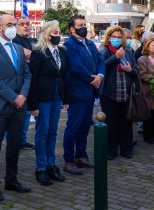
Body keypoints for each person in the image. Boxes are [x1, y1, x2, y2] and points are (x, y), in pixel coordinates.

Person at [0, 14, 33, 200]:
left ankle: (12, 179)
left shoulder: (18, 48)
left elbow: (27, 74)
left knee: (14, 146)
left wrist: (23, 95)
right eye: (9, 24)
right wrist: (14, 97)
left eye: (14, 24)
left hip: (18, 106)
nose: (12, 27)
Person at [28, 20, 69, 186]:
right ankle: (41, 167)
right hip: (42, 97)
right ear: (46, 34)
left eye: (59, 32)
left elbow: (63, 76)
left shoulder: (62, 51)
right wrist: (33, 105)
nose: (58, 35)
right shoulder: (39, 53)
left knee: (53, 131)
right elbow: (32, 79)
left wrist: (65, 99)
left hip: (57, 96)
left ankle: (51, 165)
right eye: (55, 33)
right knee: (42, 132)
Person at [62, 14, 105, 175]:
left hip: (90, 92)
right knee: (73, 127)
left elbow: (100, 60)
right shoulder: (69, 45)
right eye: (80, 25)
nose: (84, 27)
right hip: (77, 93)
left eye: (84, 24)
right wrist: (92, 79)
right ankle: (68, 160)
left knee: (85, 126)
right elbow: (76, 67)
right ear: (72, 29)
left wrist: (100, 76)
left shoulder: (90, 43)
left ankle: (80, 155)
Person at [99, 26, 138, 159]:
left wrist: (130, 70)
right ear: (109, 38)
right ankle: (111, 150)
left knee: (125, 123)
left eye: (119, 37)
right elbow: (101, 67)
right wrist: (115, 57)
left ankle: (126, 149)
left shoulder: (128, 51)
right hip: (109, 94)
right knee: (111, 123)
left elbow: (136, 72)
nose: (116, 39)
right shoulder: (104, 51)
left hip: (125, 94)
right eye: (114, 37)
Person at [13, 16, 35, 150]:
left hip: (31, 80)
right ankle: (15, 140)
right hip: (20, 82)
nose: (26, 26)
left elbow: (36, 56)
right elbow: (29, 55)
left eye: (28, 24)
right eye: (22, 24)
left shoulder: (32, 40)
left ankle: (22, 139)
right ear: (17, 26)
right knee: (19, 112)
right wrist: (32, 56)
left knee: (27, 112)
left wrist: (32, 56)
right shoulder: (15, 40)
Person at [137, 38, 154, 144]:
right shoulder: (142, 59)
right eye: (153, 45)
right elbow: (142, 75)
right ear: (147, 47)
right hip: (147, 90)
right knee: (148, 114)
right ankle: (148, 135)